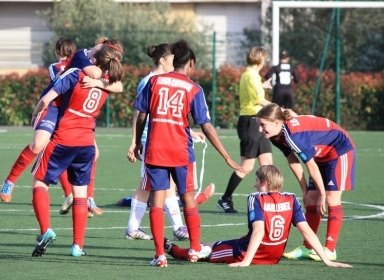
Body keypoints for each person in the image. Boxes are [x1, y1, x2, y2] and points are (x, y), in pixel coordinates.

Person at [133, 39, 246, 267]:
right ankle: (195, 248)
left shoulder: (154, 81)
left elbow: (142, 115)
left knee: (157, 201)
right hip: (181, 151)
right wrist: (226, 156)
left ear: (174, 59)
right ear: (191, 63)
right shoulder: (194, 89)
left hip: (155, 149)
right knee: (187, 199)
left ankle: (160, 255)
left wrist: (137, 142)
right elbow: (206, 125)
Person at [0, 38, 124, 218]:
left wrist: (99, 83)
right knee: (38, 144)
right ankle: (9, 181)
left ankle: (87, 198)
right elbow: (94, 73)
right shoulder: (83, 54)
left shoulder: (102, 63)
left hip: (73, 111)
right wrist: (103, 78)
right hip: (54, 105)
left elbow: (118, 86)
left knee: (93, 153)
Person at [30, 43, 124, 257]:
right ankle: (77, 246)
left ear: (94, 60)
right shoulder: (106, 82)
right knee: (80, 193)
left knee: (39, 182)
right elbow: (118, 86)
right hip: (87, 143)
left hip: (64, 138)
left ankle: (45, 231)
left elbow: (46, 99)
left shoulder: (77, 73)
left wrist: (35, 114)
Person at [164, 165, 352, 268]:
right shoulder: (291, 199)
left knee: (199, 252)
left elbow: (259, 231)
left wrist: (245, 261)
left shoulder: (256, 198)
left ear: (265, 182)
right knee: (215, 244)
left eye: (256, 181)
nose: (254, 185)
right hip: (274, 256)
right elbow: (308, 233)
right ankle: (175, 246)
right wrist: (327, 261)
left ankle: (172, 249)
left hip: (251, 253)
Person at [256, 103, 356, 261]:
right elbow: (293, 161)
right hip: (319, 156)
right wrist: (305, 190)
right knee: (310, 198)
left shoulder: (293, 135)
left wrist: (322, 194)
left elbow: (311, 166)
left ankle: (330, 249)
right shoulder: (276, 136)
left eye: (263, 125)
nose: (260, 130)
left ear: (276, 122)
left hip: (339, 150)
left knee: (331, 198)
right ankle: (308, 247)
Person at [216, 46, 274, 213]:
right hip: (250, 123)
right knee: (247, 167)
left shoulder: (253, 76)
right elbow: (259, 100)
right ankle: (225, 199)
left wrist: (262, 85)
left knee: (268, 164)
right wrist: (279, 109)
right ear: (261, 60)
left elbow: (255, 94)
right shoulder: (250, 76)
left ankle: (269, 202)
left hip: (259, 123)